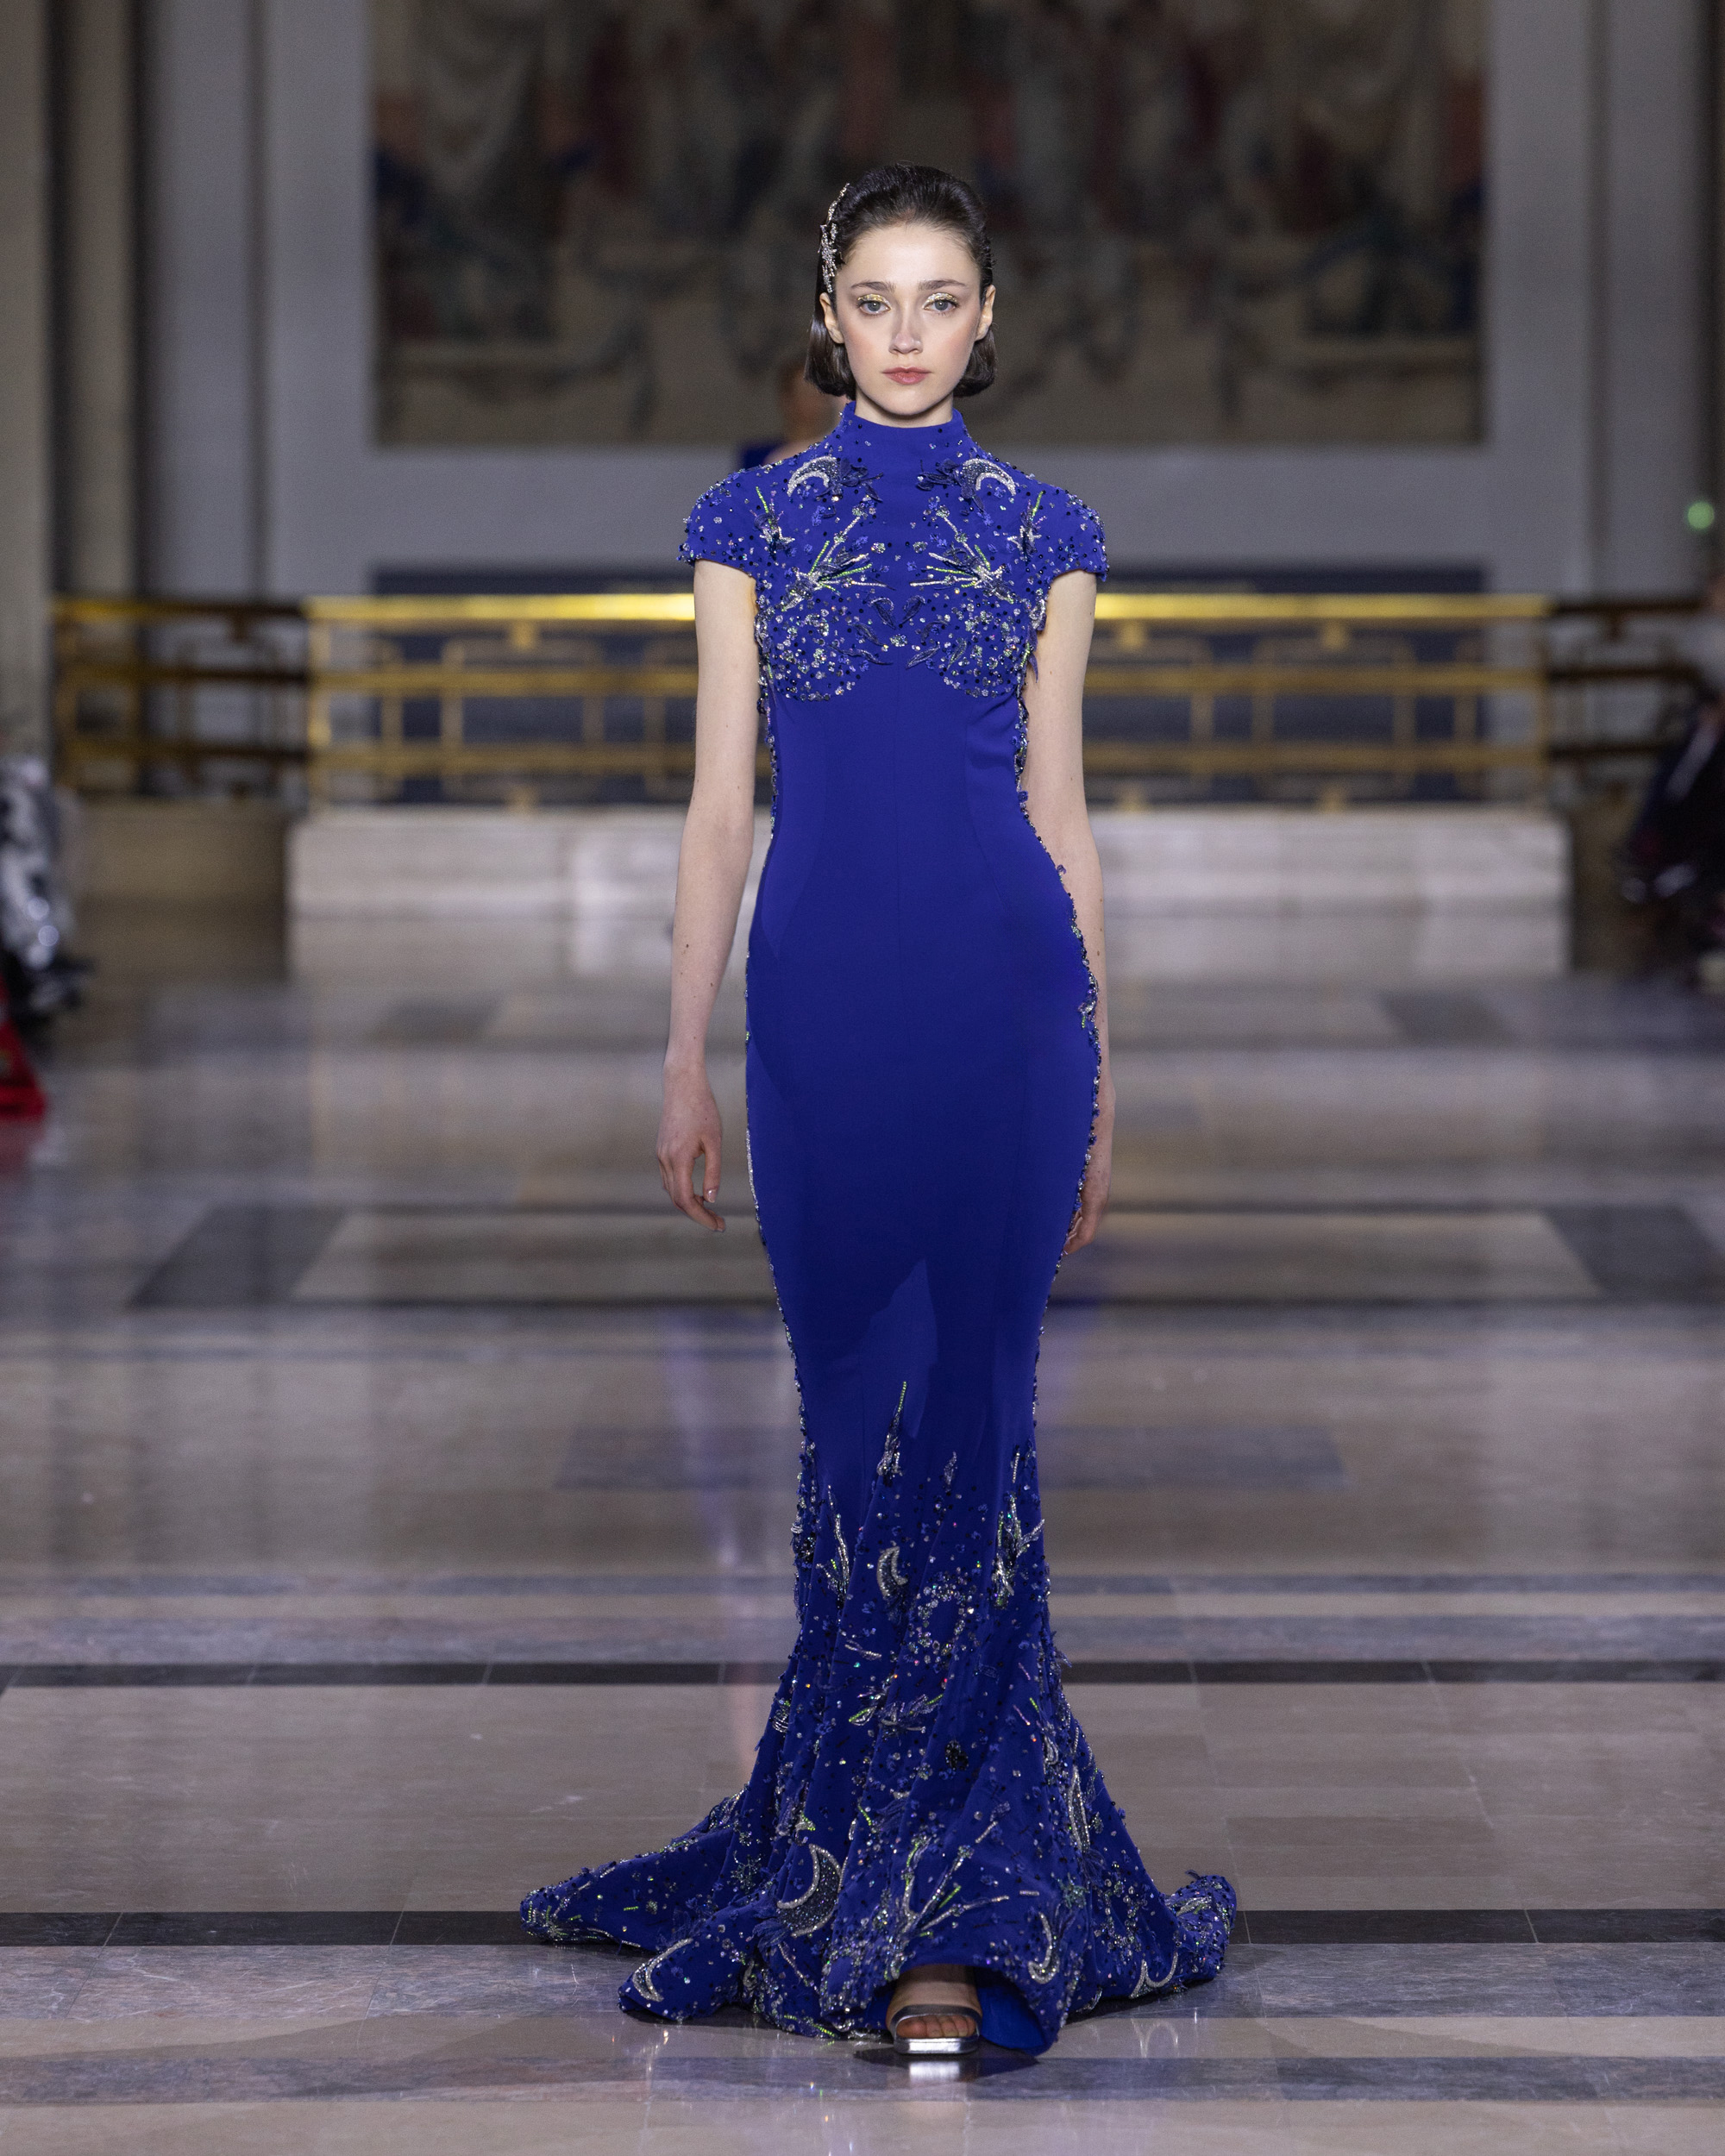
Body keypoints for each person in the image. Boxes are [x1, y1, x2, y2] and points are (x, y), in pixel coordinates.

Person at [523, 162, 1233, 2058]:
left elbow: (1063, 821)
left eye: (938, 299)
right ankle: (846, 1854)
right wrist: (680, 1052)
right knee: (855, 1454)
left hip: (1009, 1023)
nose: (905, 332)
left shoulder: (1050, 535)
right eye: (873, 298)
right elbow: (715, 813)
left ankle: (963, 1911)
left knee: (982, 1449)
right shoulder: (747, 527)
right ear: (824, 313)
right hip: (822, 1024)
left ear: (988, 316)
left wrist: (1101, 1071)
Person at [738, 353, 845, 468]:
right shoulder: (759, 456)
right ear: (786, 399)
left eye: (820, 394)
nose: (815, 401)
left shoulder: (838, 452)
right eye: (805, 393)